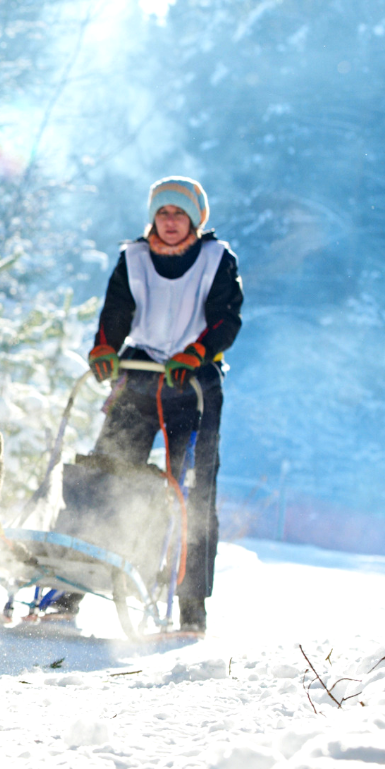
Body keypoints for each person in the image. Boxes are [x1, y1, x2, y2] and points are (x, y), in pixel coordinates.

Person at [42, 176, 243, 634]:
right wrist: (104, 349)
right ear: (153, 218)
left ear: (195, 219)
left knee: (193, 494)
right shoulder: (133, 258)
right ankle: (67, 591)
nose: (170, 222)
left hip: (194, 385)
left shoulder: (216, 259)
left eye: (179, 214)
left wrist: (197, 353)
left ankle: (191, 609)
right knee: (102, 475)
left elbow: (227, 318)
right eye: (163, 213)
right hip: (140, 378)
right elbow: (115, 312)